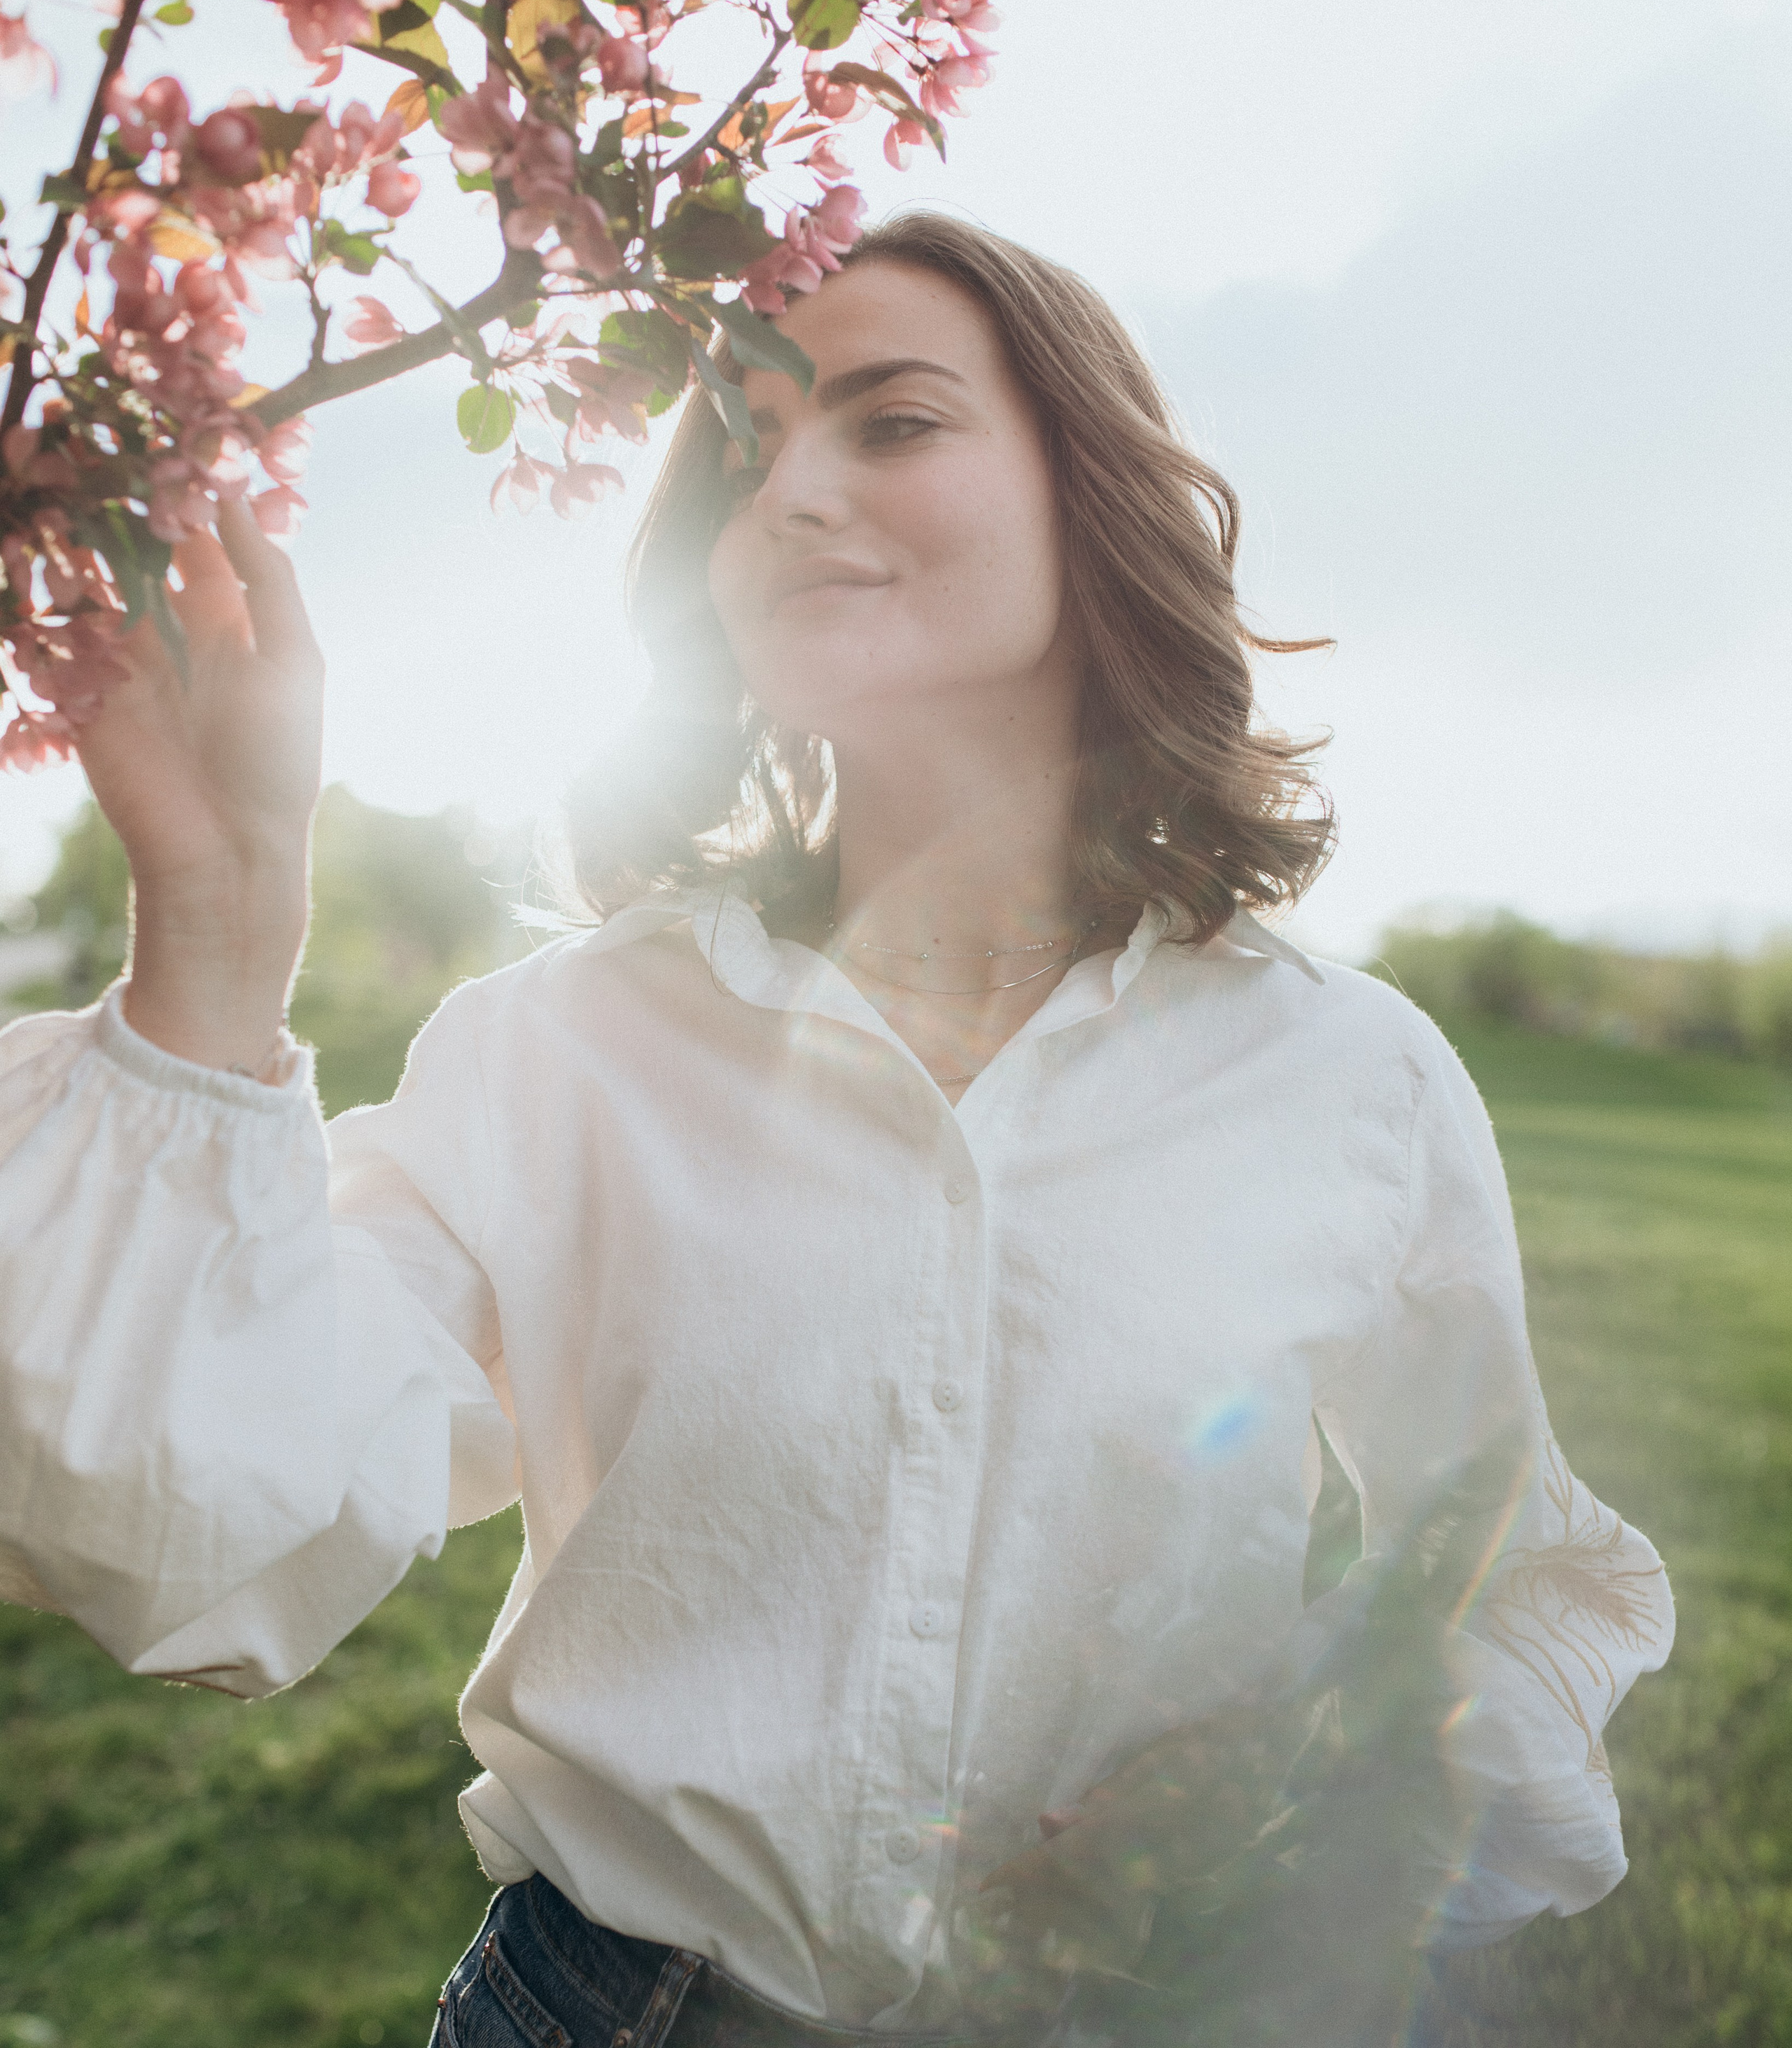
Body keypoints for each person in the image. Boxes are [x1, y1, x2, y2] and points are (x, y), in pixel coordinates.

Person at [0, 215, 1672, 2046]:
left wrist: (1301, 1820)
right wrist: (225, 918)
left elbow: (1529, 1578)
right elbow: (199, 1548)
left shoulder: (1354, 1083)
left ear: (1084, 489)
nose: (790, 493)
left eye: (891, 423)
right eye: (742, 449)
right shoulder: (559, 1052)